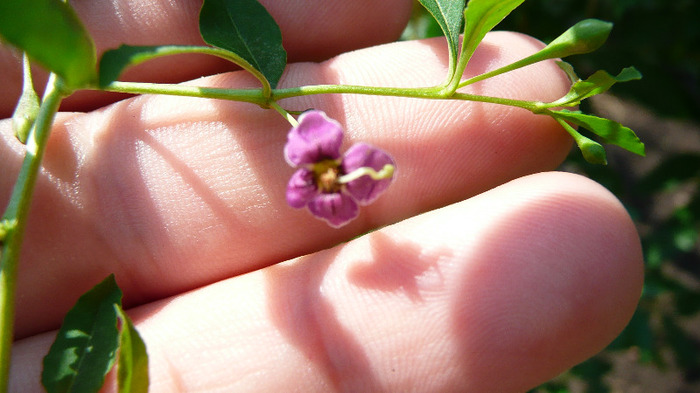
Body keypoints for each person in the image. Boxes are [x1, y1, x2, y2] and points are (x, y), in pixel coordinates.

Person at [1, 0, 643, 391]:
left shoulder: (319, 164)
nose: (333, 179)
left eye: (329, 175)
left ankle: (558, 87)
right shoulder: (320, 156)